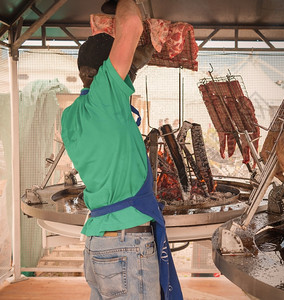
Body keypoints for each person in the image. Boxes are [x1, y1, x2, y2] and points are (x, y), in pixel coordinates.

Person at [61, 0, 183, 299]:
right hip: (126, 248)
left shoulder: (72, 114)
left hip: (99, 243)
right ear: (107, 72)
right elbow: (131, 25)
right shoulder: (106, 96)